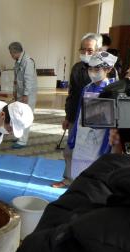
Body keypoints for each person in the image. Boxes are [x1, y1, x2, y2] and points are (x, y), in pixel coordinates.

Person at [52, 33, 102, 188]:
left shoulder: (104, 69)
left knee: (91, 154)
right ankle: (67, 179)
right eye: (83, 49)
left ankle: (86, 184)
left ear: (98, 50)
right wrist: (68, 116)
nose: (86, 53)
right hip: (75, 116)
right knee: (69, 150)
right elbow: (72, 94)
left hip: (94, 120)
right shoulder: (76, 68)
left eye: (90, 50)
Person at [67, 51, 118, 180]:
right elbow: (79, 112)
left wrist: (107, 145)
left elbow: (112, 122)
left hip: (99, 138)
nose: (92, 72)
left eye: (97, 68)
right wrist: (73, 134)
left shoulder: (111, 90)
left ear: (108, 69)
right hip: (82, 137)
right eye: (90, 68)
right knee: (77, 170)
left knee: (93, 171)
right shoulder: (86, 88)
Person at [8, 41, 37, 149]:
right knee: (18, 114)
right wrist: (15, 91)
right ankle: (19, 135)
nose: (10, 55)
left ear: (15, 52)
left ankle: (23, 141)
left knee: (26, 116)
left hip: (28, 94)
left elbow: (28, 80)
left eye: (11, 53)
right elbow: (16, 79)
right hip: (20, 93)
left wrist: (25, 95)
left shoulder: (28, 62)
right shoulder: (17, 61)